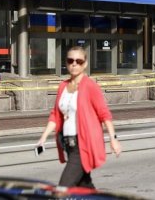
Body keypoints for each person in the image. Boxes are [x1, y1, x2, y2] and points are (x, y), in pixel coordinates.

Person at [37, 46, 122, 188]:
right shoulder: (62, 86)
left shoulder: (90, 86)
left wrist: (113, 139)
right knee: (84, 185)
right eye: (70, 60)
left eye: (79, 61)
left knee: (63, 187)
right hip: (68, 144)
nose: (74, 64)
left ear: (85, 64)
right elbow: (55, 115)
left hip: (83, 145)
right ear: (66, 63)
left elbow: (104, 114)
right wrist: (43, 138)